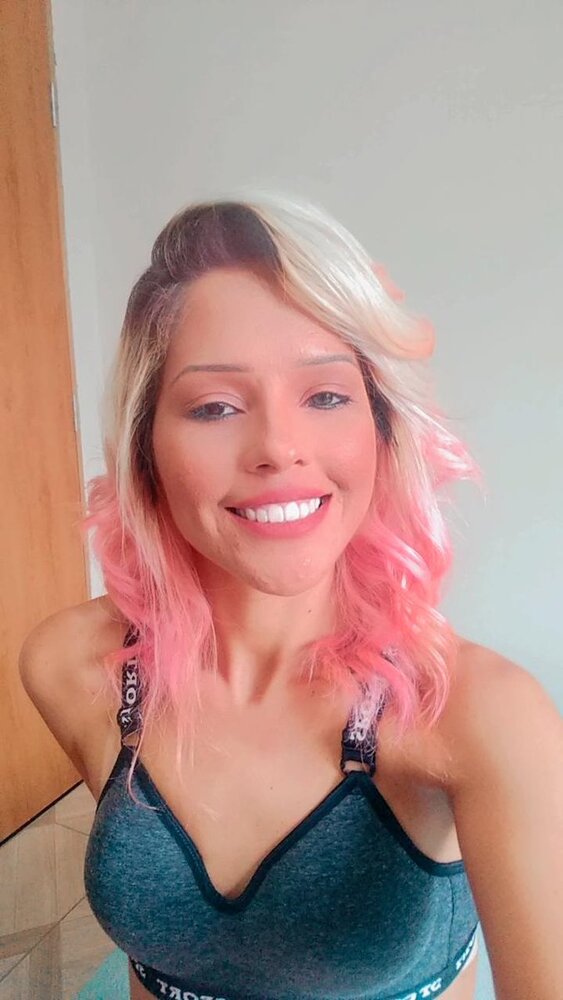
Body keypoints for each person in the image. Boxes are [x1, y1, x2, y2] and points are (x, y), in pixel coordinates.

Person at [19, 194, 562, 1000]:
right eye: (214, 406)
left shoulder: (481, 717)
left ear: (381, 430)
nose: (277, 447)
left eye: (326, 395)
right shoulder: (71, 666)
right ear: (145, 449)